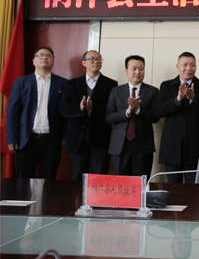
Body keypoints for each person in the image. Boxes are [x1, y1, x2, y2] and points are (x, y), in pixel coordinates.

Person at [6, 46, 68, 179]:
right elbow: (12, 113)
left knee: (48, 180)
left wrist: (64, 137)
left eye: (48, 55)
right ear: (33, 61)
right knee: (23, 180)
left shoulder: (62, 83)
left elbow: (65, 114)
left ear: (53, 61)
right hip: (26, 140)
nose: (45, 57)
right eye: (41, 55)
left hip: (51, 140)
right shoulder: (21, 82)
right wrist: (12, 138)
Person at [156, 52, 199, 183]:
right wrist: (177, 99)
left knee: (193, 187)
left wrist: (193, 99)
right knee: (173, 187)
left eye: (192, 65)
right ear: (178, 67)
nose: (189, 68)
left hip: (194, 145)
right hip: (171, 146)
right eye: (185, 65)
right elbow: (159, 111)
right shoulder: (166, 86)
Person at [59, 50, 118, 180]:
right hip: (77, 140)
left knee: (99, 180)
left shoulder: (111, 84)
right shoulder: (72, 84)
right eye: (92, 59)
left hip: (100, 140)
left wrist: (93, 109)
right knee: (77, 179)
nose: (96, 61)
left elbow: (111, 110)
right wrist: (79, 108)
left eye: (98, 59)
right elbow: (63, 109)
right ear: (84, 62)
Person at [106, 55, 160, 179]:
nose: (137, 72)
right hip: (120, 146)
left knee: (141, 183)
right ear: (126, 71)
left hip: (143, 146)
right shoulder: (116, 91)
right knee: (121, 184)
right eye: (134, 69)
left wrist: (138, 109)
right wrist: (127, 112)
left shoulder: (152, 91)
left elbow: (156, 117)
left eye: (141, 69)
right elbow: (109, 117)